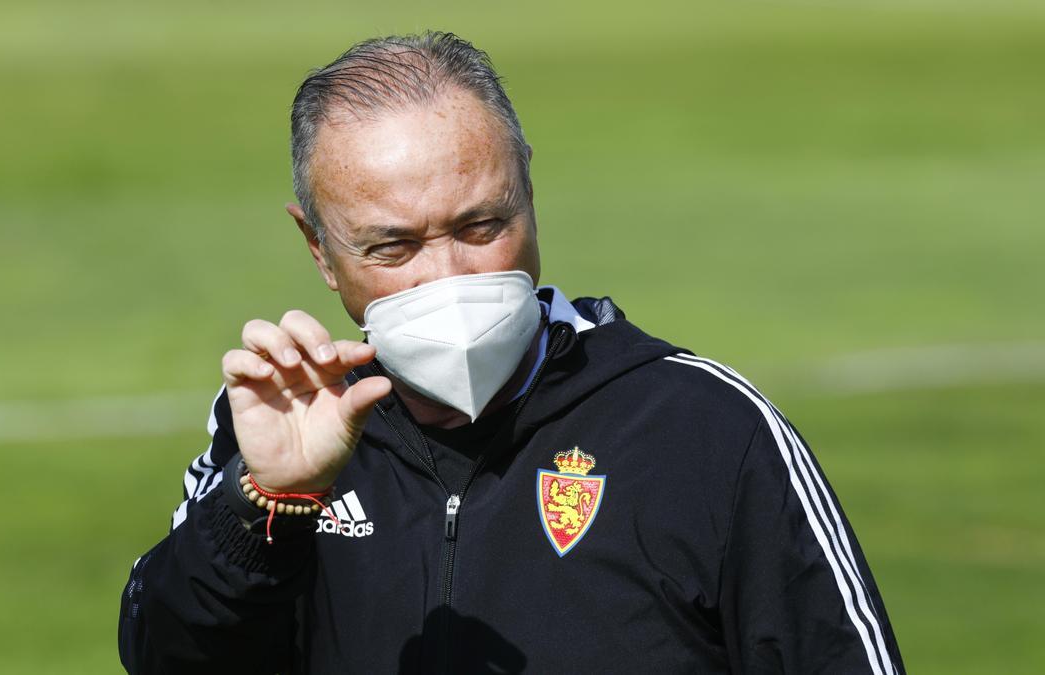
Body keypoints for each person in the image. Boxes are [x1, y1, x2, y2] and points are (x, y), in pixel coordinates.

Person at [118, 31, 903, 674]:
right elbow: (167, 656)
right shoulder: (279, 427)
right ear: (320, 251)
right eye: (393, 246)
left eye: (480, 226)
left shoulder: (707, 430)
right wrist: (263, 507)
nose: (449, 276)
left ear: (528, 192)